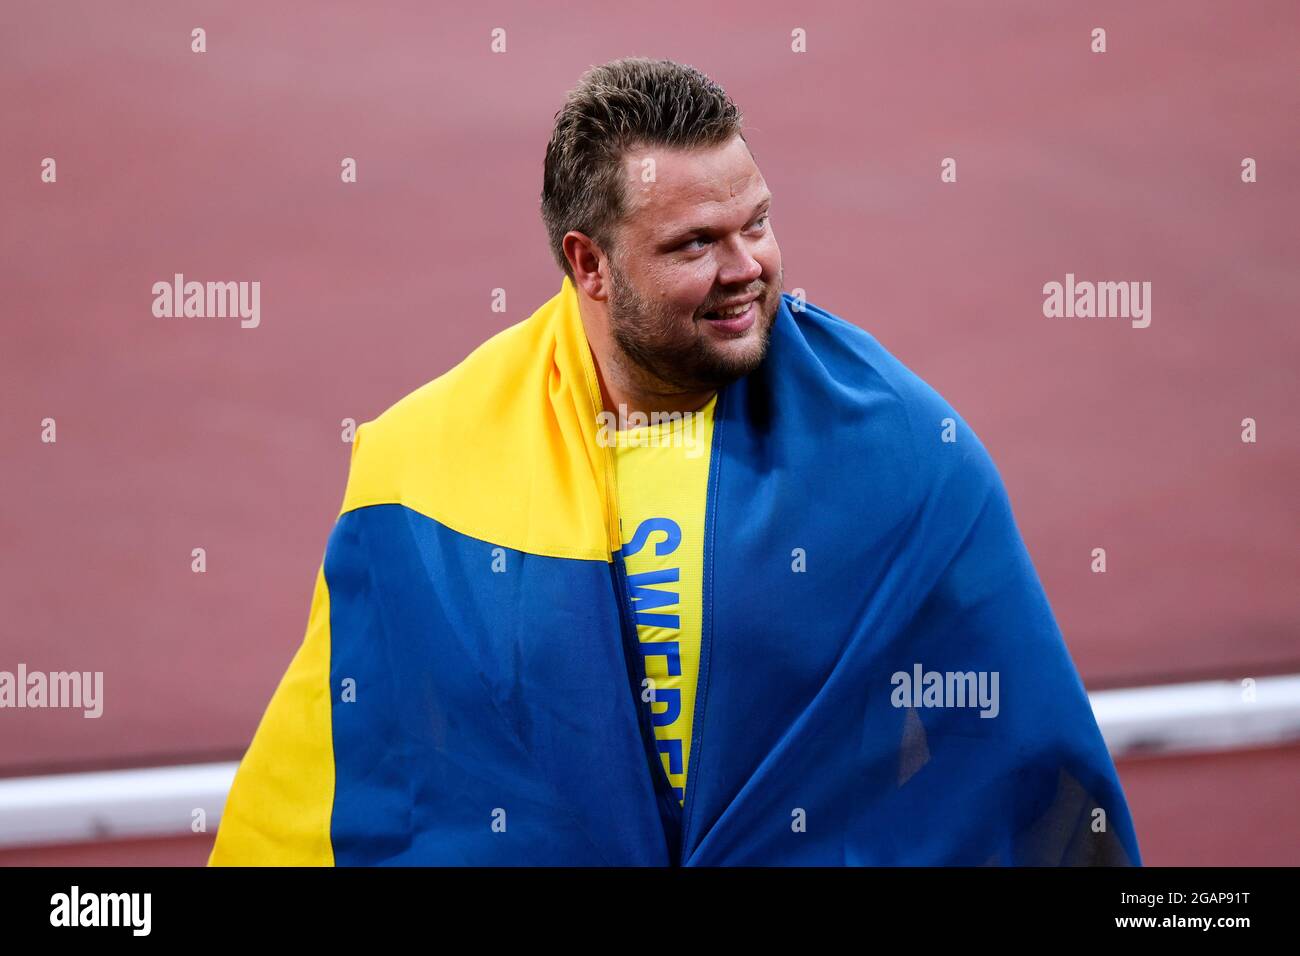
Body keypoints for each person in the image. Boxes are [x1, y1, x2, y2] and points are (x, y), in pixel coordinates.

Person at [209, 57, 1141, 866]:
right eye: (697, 243)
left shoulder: (899, 451)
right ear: (590, 265)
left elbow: (1027, 754)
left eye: (757, 223)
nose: (749, 268)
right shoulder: (421, 465)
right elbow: (338, 767)